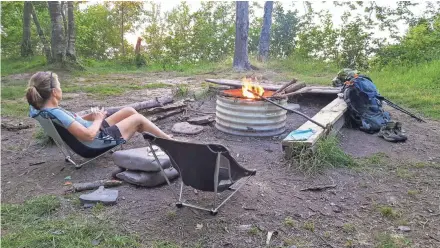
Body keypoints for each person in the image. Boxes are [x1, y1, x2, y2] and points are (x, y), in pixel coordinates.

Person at [26, 71, 172, 144]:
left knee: (129, 111)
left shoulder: (43, 110)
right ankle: (167, 141)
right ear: (54, 92)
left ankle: (152, 137)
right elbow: (89, 136)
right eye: (60, 87)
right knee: (138, 118)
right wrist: (98, 119)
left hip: (93, 129)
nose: (61, 89)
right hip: (98, 140)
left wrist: (91, 117)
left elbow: (70, 124)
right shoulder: (56, 113)